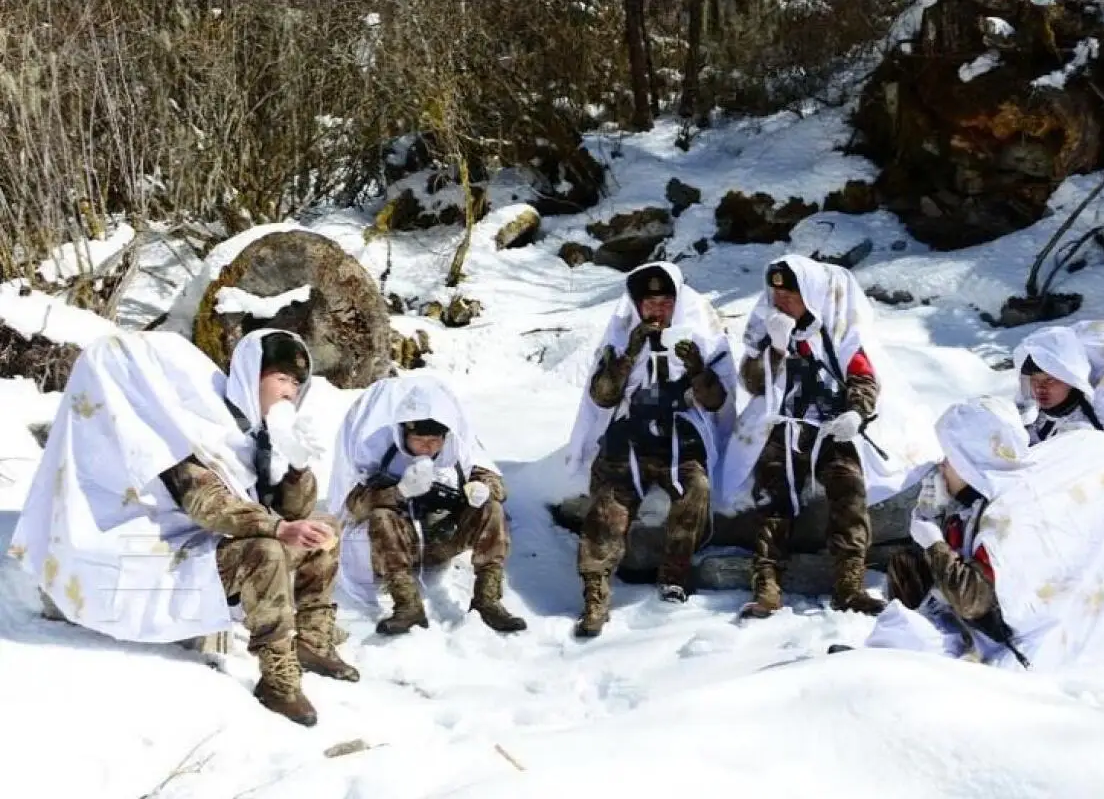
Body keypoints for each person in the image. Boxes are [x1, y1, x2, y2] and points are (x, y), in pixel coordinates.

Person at [10, 329, 357, 728]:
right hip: (169, 552)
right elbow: (207, 504)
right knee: (266, 551)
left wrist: (296, 466)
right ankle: (278, 679)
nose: (290, 391)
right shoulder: (192, 427)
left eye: (298, 383)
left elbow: (295, 511)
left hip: (214, 545)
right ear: (251, 375)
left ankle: (312, 641)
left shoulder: (255, 435)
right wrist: (278, 528)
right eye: (281, 378)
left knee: (324, 528)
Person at [721, 254, 939, 620]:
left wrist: (856, 412)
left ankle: (849, 586)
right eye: (778, 295)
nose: (782, 302)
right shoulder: (769, 329)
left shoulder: (837, 333)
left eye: (792, 295)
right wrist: (774, 348)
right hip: (783, 424)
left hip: (831, 426)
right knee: (772, 493)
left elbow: (863, 377)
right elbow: (753, 383)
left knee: (849, 489)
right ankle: (767, 584)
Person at [856, 395, 1104, 670]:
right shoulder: (977, 496)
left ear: (971, 461)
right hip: (965, 610)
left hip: (1000, 631)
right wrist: (936, 518)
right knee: (907, 564)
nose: (941, 465)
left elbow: (975, 601)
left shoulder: (1007, 517)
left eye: (950, 457)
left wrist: (934, 542)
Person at [564, 261, 737, 637]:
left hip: (679, 438)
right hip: (630, 438)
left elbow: (717, 401)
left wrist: (695, 368)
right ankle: (596, 592)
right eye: (648, 303)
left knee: (697, 490)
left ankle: (674, 576)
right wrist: (629, 354)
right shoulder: (620, 338)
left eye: (664, 301)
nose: (656, 310)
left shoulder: (704, 340)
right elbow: (603, 398)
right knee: (607, 505)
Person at [329, 372, 526, 635]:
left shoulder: (457, 453)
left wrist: (483, 489)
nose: (426, 448)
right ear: (404, 433)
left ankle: (487, 599)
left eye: (434, 441)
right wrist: (398, 492)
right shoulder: (382, 457)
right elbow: (355, 506)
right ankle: (407, 604)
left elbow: (495, 482)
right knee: (381, 516)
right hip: (399, 547)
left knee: (492, 508)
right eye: (419, 440)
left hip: (444, 537)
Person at [1013, 321, 1104, 443]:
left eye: (1049, 380)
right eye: (1034, 380)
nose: (1039, 388)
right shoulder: (1031, 417)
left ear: (1071, 379)